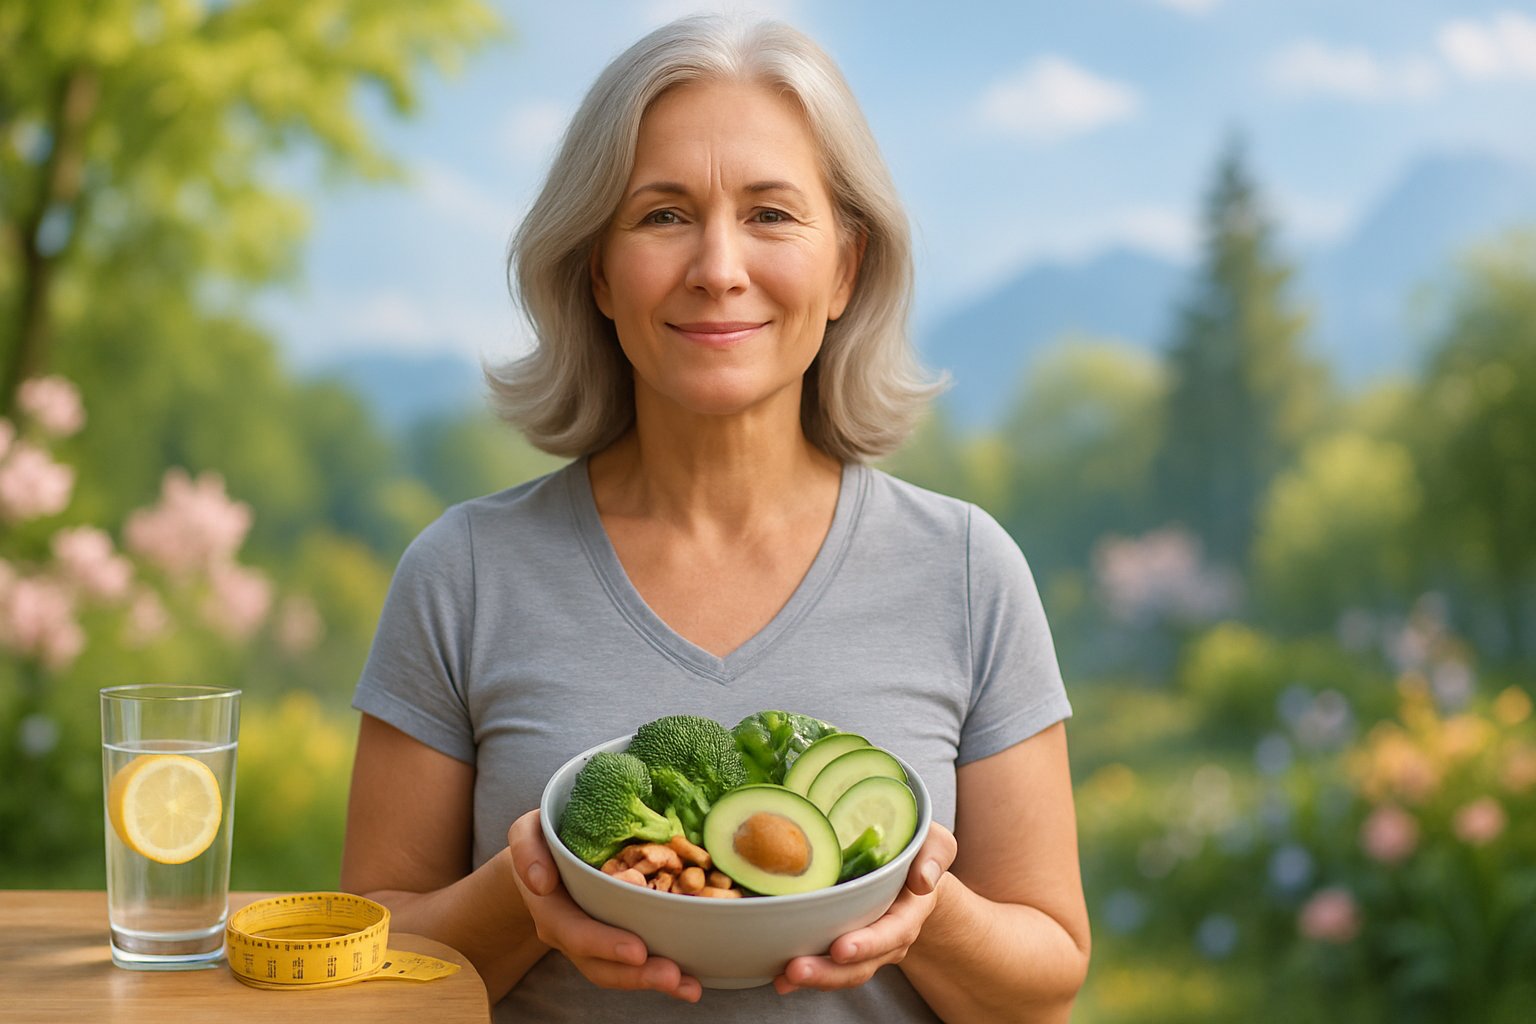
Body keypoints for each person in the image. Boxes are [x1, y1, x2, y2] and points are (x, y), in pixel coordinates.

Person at [341, 14, 1089, 1023]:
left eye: (772, 214)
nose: (718, 267)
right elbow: (361, 955)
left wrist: (921, 908)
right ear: (597, 270)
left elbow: (1046, 982)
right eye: (662, 216)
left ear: (847, 269)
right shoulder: (464, 572)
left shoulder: (965, 569)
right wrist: (532, 896)